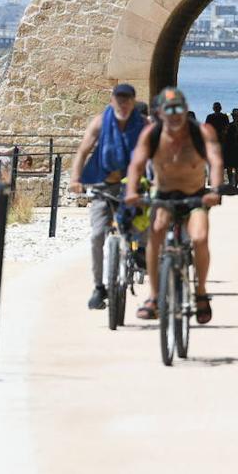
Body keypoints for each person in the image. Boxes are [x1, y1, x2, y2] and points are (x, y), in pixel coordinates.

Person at [124, 87, 223, 324]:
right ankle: (155, 297)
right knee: (156, 231)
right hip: (164, 195)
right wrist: (131, 191)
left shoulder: (202, 132)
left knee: (199, 238)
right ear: (160, 112)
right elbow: (137, 164)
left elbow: (216, 161)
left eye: (179, 108)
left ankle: (200, 293)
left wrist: (216, 190)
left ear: (186, 109)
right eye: (169, 109)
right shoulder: (152, 134)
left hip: (195, 196)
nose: (175, 114)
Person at [69, 83, 148, 311]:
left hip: (134, 184)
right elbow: (83, 151)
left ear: (133, 102)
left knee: (144, 217)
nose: (123, 104)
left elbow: (154, 154)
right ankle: (98, 287)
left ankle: (141, 249)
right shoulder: (100, 122)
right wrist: (76, 180)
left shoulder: (144, 125)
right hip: (105, 184)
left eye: (127, 100)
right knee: (96, 235)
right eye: (119, 99)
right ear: (112, 100)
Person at [221, 108, 238, 187]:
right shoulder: (228, 126)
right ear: (232, 116)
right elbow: (224, 138)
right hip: (229, 149)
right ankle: (231, 182)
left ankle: (235, 184)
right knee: (229, 167)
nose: (236, 117)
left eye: (237, 115)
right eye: (235, 115)